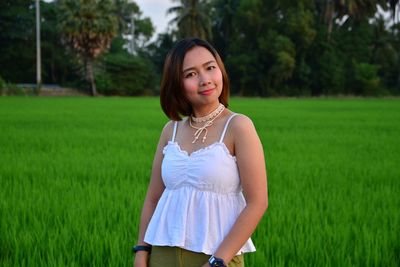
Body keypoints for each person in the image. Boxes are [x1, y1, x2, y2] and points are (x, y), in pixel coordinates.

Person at [133, 37, 268, 267]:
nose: (205, 80)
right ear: (177, 83)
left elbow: (258, 201)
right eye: (190, 74)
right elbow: (153, 198)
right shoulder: (170, 130)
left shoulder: (238, 126)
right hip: (162, 256)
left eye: (210, 68)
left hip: (217, 258)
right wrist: (141, 251)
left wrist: (217, 262)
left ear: (220, 70)